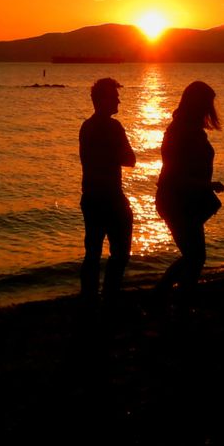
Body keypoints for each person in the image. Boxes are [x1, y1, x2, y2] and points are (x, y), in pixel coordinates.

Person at [152, 81, 224, 310]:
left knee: (194, 256)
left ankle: (168, 297)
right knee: (195, 256)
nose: (210, 108)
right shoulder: (180, 131)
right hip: (177, 201)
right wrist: (207, 185)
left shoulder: (189, 129)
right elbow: (175, 176)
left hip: (189, 201)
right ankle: (173, 298)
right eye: (208, 103)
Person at [79, 77, 137, 304]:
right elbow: (130, 159)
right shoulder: (113, 127)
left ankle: (89, 298)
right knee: (120, 253)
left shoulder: (86, 127)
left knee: (92, 253)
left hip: (91, 197)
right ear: (102, 100)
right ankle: (110, 296)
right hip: (110, 197)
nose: (119, 102)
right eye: (115, 97)